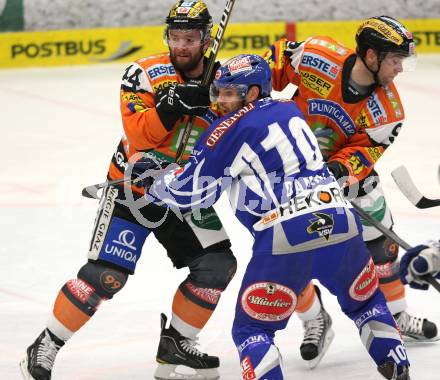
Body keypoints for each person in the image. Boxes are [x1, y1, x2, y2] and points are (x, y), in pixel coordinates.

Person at [143, 53, 411, 380]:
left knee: (251, 330)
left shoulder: (226, 130)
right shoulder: (289, 109)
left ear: (252, 93)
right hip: (341, 222)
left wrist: (155, 183)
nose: (221, 100)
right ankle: (400, 369)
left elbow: (194, 193)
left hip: (286, 236)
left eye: (230, 92)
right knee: (367, 306)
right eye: (219, 91)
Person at [19, 2, 237, 380]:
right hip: (131, 189)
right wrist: (170, 107)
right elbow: (139, 134)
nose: (181, 46)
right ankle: (46, 345)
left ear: (205, 39)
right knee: (106, 277)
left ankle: (175, 348)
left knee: (218, 265)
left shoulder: (223, 81)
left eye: (190, 38)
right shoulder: (145, 73)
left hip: (182, 197)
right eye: (174, 37)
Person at [263, 15, 438, 365]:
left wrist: (340, 170)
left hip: (349, 180)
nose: (399, 69)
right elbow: (271, 64)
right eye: (394, 60)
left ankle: (397, 316)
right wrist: (250, 94)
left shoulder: (389, 109)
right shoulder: (317, 55)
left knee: (382, 248)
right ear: (371, 56)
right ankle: (314, 319)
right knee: (289, 251)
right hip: (287, 173)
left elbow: (364, 152)